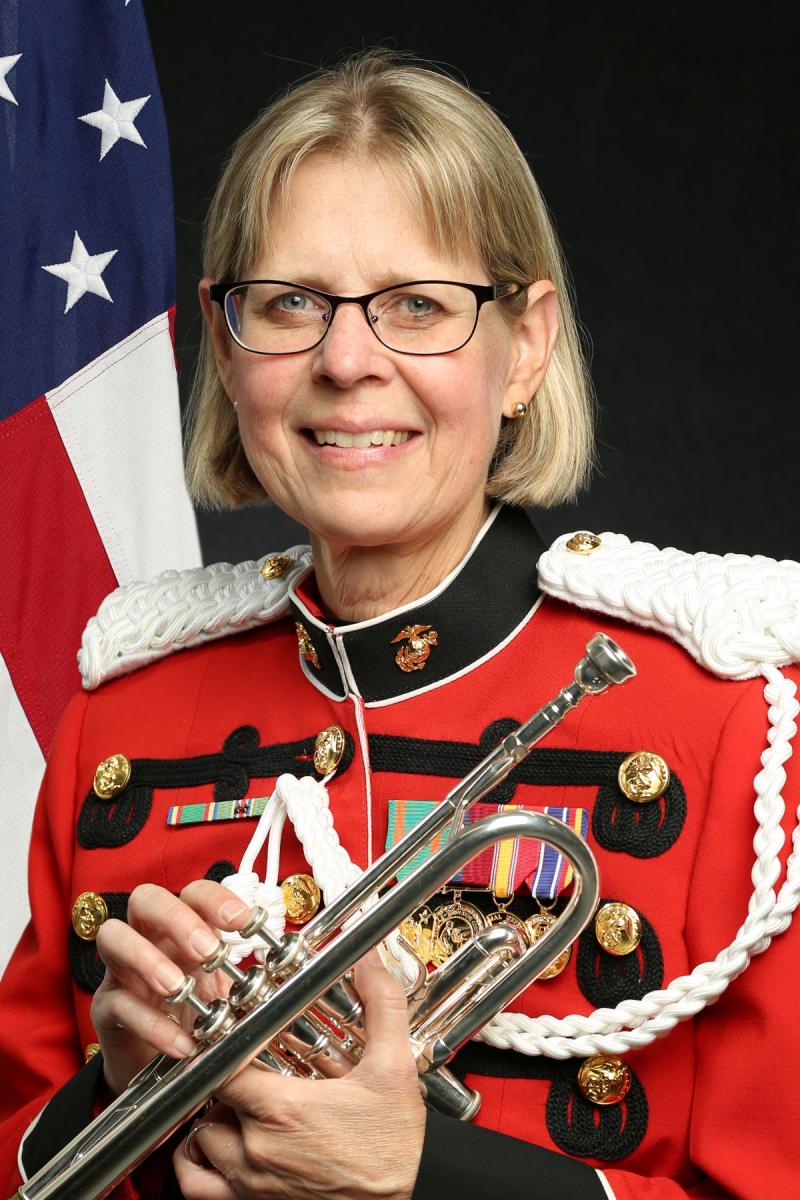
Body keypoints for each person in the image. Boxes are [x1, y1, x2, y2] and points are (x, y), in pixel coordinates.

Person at [1, 49, 798, 1200]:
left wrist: (423, 1178)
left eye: (416, 307)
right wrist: (111, 1094)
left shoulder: (731, 726)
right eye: (287, 306)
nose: (344, 362)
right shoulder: (121, 716)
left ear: (523, 347)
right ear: (226, 353)